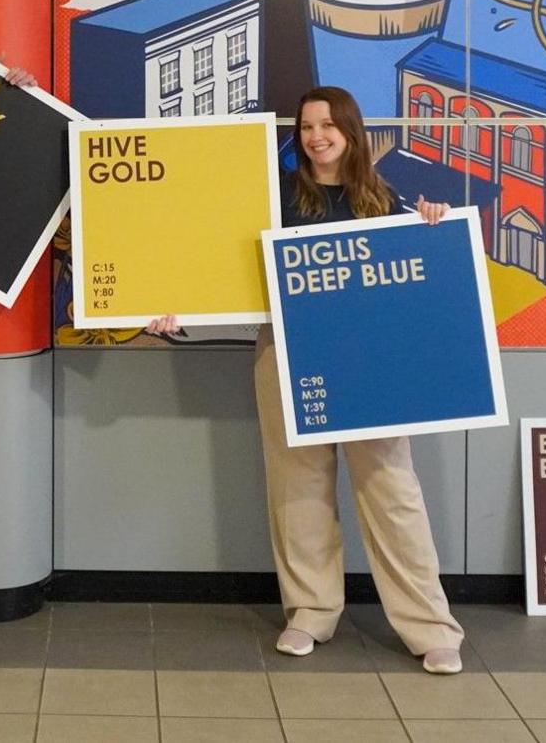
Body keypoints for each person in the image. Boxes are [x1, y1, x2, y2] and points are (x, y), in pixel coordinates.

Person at [150, 85, 466, 674]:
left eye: (328, 125)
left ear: (351, 130)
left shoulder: (383, 197)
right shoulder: (276, 196)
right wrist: (173, 302)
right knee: (297, 487)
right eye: (306, 126)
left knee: (391, 488)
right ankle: (310, 613)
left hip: (368, 360)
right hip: (288, 352)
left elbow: (420, 273)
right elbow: (211, 253)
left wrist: (433, 224)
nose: (317, 136)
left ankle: (430, 627)